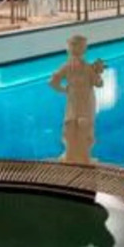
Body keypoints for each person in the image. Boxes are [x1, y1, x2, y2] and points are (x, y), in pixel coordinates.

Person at [49, 35, 106, 164]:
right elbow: (99, 83)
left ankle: (71, 156)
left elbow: (52, 82)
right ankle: (83, 158)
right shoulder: (87, 68)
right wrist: (98, 72)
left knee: (72, 126)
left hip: (74, 101)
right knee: (83, 127)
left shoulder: (67, 67)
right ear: (83, 49)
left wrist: (64, 90)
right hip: (84, 101)